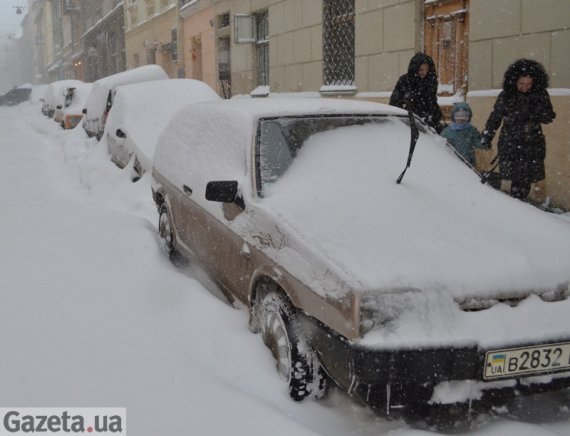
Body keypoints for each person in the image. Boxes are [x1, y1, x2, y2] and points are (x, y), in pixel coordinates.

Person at [481, 59, 556, 200]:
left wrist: (538, 108)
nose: (524, 87)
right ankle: (516, 206)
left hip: (532, 143)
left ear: (535, 83)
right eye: (521, 83)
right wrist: (488, 134)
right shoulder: (506, 95)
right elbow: (496, 116)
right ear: (514, 81)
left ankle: (519, 204)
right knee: (515, 178)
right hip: (511, 142)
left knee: (525, 179)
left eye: (528, 84)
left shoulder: (540, 95)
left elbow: (548, 117)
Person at [389, 52, 444, 133]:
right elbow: (394, 102)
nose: (424, 72)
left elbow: (431, 101)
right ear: (415, 68)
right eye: (421, 70)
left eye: (426, 69)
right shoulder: (404, 81)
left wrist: (434, 117)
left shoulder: (430, 81)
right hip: (408, 121)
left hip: (426, 122)